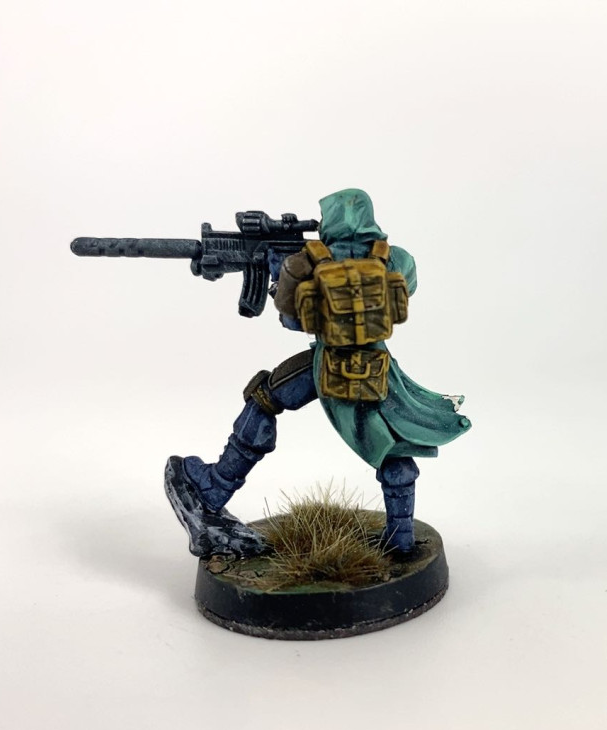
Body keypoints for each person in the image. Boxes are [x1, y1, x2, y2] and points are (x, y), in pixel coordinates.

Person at [173, 188, 470, 556]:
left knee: (263, 399)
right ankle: (401, 539)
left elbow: (292, 321)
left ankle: (215, 486)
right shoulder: (397, 259)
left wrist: (282, 276)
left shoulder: (306, 262)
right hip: (376, 369)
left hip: (326, 367)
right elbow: (404, 293)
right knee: (392, 443)